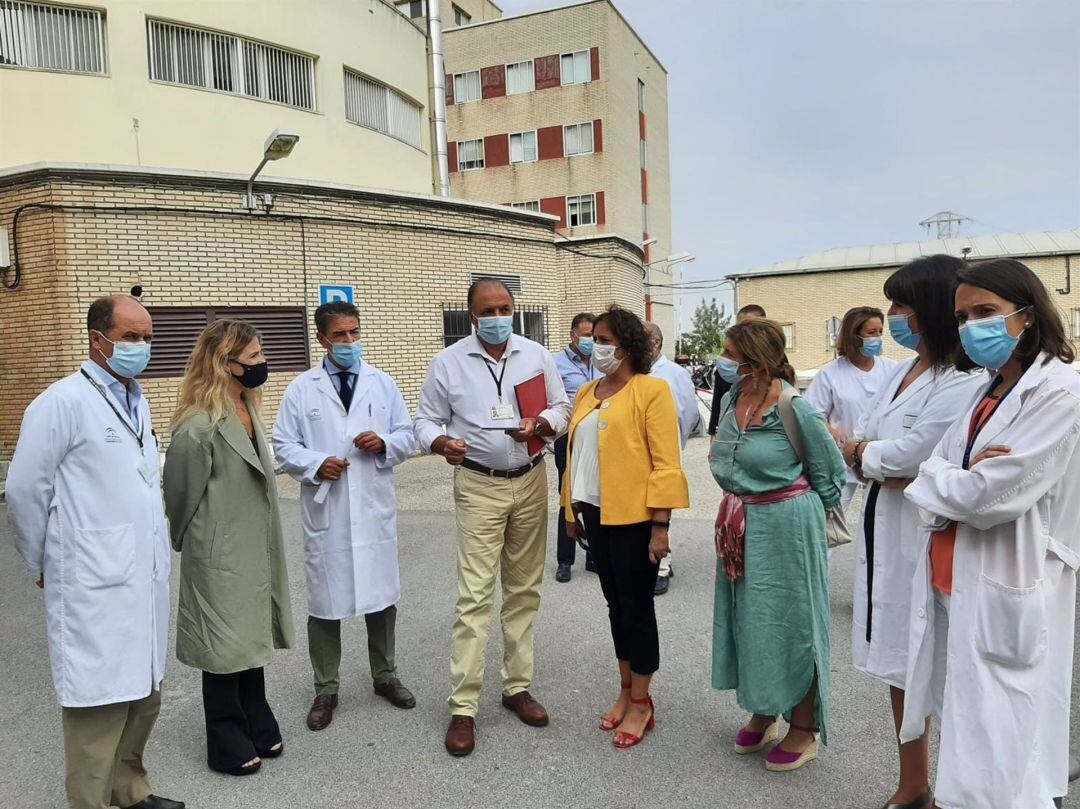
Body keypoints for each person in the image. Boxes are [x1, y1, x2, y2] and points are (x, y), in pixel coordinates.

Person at [900, 259, 1080, 809]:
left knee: (1009, 742)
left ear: (1027, 316)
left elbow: (991, 498)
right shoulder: (991, 388)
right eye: (962, 316)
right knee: (974, 728)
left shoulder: (1060, 391)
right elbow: (937, 466)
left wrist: (950, 476)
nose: (970, 325)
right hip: (958, 576)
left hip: (1013, 577)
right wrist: (955, 473)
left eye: (986, 312)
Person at [7, 296, 184, 809]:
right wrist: (40, 560)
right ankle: (89, 802)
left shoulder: (135, 398)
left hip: (140, 572)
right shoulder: (60, 403)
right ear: (98, 339)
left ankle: (130, 790)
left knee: (143, 695)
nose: (141, 348)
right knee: (97, 703)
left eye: (147, 338)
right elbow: (24, 490)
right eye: (131, 337)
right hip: (91, 576)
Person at [842, 256, 985, 809]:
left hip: (930, 538)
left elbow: (910, 456)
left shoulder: (963, 381)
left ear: (930, 309)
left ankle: (960, 788)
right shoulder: (904, 371)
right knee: (900, 661)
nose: (893, 317)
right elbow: (870, 446)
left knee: (942, 664)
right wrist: (867, 455)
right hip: (886, 531)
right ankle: (913, 783)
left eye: (902, 306)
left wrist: (862, 453)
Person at [414, 278, 571, 757]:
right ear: (471, 313)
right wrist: (441, 443)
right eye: (489, 310)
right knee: (475, 596)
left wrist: (542, 424)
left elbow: (562, 406)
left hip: (529, 478)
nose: (499, 316)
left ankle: (516, 688)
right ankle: (463, 707)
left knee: (524, 589)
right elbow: (424, 421)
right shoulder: (448, 362)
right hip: (479, 483)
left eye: (506, 307)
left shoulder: (536, 355)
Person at [709, 318, 845, 772]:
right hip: (740, 522)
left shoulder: (793, 406)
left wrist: (806, 526)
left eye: (731, 354)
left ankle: (803, 727)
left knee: (793, 623)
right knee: (750, 619)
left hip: (787, 527)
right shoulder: (732, 398)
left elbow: (830, 474)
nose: (724, 362)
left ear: (756, 360)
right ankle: (764, 710)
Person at [274, 302, 417, 732]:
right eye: (340, 336)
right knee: (325, 604)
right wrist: (318, 463)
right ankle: (326, 688)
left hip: (372, 510)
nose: (351, 342)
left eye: (355, 333)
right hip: (329, 510)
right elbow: (283, 444)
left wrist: (384, 444)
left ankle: (385, 676)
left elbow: (407, 435)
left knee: (381, 598)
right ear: (322, 339)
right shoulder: (302, 389)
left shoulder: (382, 383)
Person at [162, 319, 294, 777]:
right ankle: (223, 736)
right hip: (218, 551)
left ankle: (256, 716)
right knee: (222, 646)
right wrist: (192, 543)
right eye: (254, 358)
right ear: (226, 364)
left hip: (254, 546)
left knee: (249, 637)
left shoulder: (248, 408)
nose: (263, 365)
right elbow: (177, 494)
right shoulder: (197, 425)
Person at [562, 306, 689, 749]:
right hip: (595, 514)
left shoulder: (651, 391)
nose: (596, 347)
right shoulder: (587, 392)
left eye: (605, 340)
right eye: (593, 338)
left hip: (636, 518)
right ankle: (624, 691)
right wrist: (571, 512)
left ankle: (642, 702)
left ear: (629, 345)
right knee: (616, 607)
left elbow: (666, 463)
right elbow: (574, 458)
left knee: (637, 609)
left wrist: (661, 526)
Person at [804, 306, 899, 510]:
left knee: (879, 517)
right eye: (871, 333)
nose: (877, 338)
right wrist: (831, 430)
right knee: (831, 516)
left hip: (880, 457)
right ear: (854, 335)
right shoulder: (831, 373)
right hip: (842, 459)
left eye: (880, 332)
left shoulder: (892, 369)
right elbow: (811, 413)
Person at [644, 320, 700, 595]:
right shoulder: (636, 371)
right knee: (646, 507)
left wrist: (676, 443)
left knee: (662, 506)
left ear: (656, 344)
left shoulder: (674, 373)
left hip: (666, 449)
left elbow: (690, 413)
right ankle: (657, 557)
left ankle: (661, 567)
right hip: (639, 453)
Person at [553, 312, 602, 582]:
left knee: (594, 495)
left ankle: (594, 554)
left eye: (593, 337)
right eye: (585, 336)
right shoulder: (556, 364)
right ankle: (565, 560)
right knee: (568, 496)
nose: (590, 341)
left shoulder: (601, 361)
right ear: (572, 335)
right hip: (567, 439)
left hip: (599, 438)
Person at [707, 304, 766, 437]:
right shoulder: (728, 367)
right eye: (739, 326)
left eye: (749, 327)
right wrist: (714, 435)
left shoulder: (776, 365)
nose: (742, 333)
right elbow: (718, 404)